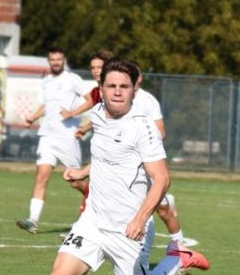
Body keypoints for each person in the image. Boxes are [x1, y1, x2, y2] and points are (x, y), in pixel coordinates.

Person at [0, 59, 210, 275]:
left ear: (133, 90)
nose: (118, 92)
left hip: (129, 232)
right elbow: (106, 155)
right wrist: (83, 171)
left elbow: (162, 179)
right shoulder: (96, 115)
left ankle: (176, 258)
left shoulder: (143, 127)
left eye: (124, 86)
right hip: (93, 223)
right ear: (101, 89)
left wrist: (140, 218)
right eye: (112, 86)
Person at [76, 68, 199, 250]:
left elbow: (160, 132)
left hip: (144, 166)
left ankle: (179, 247)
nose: (118, 90)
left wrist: (141, 146)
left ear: (137, 80)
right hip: (121, 171)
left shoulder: (148, 101)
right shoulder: (103, 106)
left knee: (163, 209)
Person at [16, 46, 92, 234]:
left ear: (64, 60)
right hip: (47, 136)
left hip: (67, 137)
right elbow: (48, 105)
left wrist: (72, 113)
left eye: (59, 59)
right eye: (53, 59)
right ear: (49, 61)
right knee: (41, 176)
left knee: (75, 181)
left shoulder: (72, 79)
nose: (56, 62)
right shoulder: (47, 81)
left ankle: (96, 198)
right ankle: (33, 220)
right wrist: (33, 117)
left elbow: (91, 100)